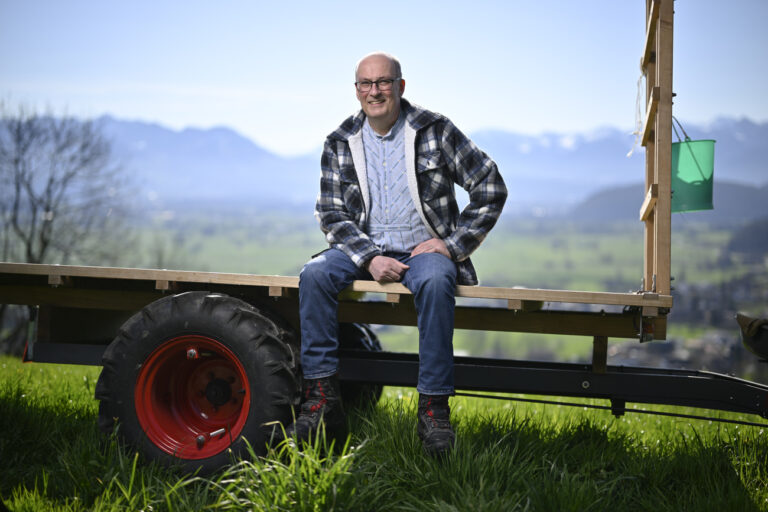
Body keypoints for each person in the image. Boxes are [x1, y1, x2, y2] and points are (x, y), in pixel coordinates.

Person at [284, 51, 507, 457]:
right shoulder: (339, 141)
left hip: (424, 249)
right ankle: (321, 400)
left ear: (400, 86)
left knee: (439, 280)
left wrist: (451, 245)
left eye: (383, 82)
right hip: (361, 250)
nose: (375, 91)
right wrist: (369, 257)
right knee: (313, 274)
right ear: (356, 91)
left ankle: (434, 410)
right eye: (366, 84)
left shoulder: (434, 130)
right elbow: (331, 212)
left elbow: (490, 186)